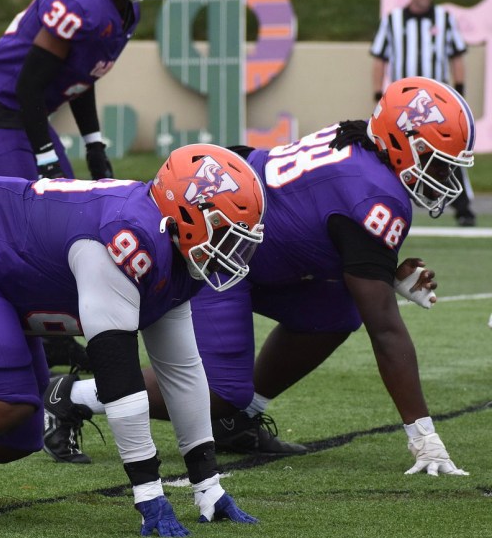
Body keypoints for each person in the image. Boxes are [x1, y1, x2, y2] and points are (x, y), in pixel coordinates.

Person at [0, 144, 266, 538]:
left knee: (18, 435)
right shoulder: (127, 239)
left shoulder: (172, 250)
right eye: (224, 229)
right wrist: (149, 492)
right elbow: (120, 381)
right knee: (1, 398)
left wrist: (208, 484)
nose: (232, 247)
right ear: (185, 212)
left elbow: (182, 371)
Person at [45, 78, 474, 478]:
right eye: (438, 162)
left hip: (258, 247)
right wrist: (423, 434)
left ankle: (238, 421)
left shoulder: (363, 143)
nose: (445, 176)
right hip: (218, 248)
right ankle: (71, 396)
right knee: (221, 389)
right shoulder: (377, 193)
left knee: (337, 311)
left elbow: (320, 221)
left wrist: (382, 271)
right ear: (402, 143)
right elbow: (386, 329)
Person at [0, 0, 171, 371]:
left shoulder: (123, 7)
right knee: (25, 225)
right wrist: (46, 156)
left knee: (71, 223)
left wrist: (94, 144)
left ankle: (55, 331)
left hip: (27, 113)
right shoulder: (78, 0)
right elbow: (28, 85)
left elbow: (81, 77)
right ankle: (11, 330)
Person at [371, 0, 475, 227]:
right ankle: (384, 202)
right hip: (403, 105)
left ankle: (463, 207)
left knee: (450, 149)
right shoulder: (393, 20)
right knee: (393, 151)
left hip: (436, 104)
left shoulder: (444, 19)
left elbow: (457, 56)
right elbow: (380, 59)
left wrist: (459, 93)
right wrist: (378, 95)